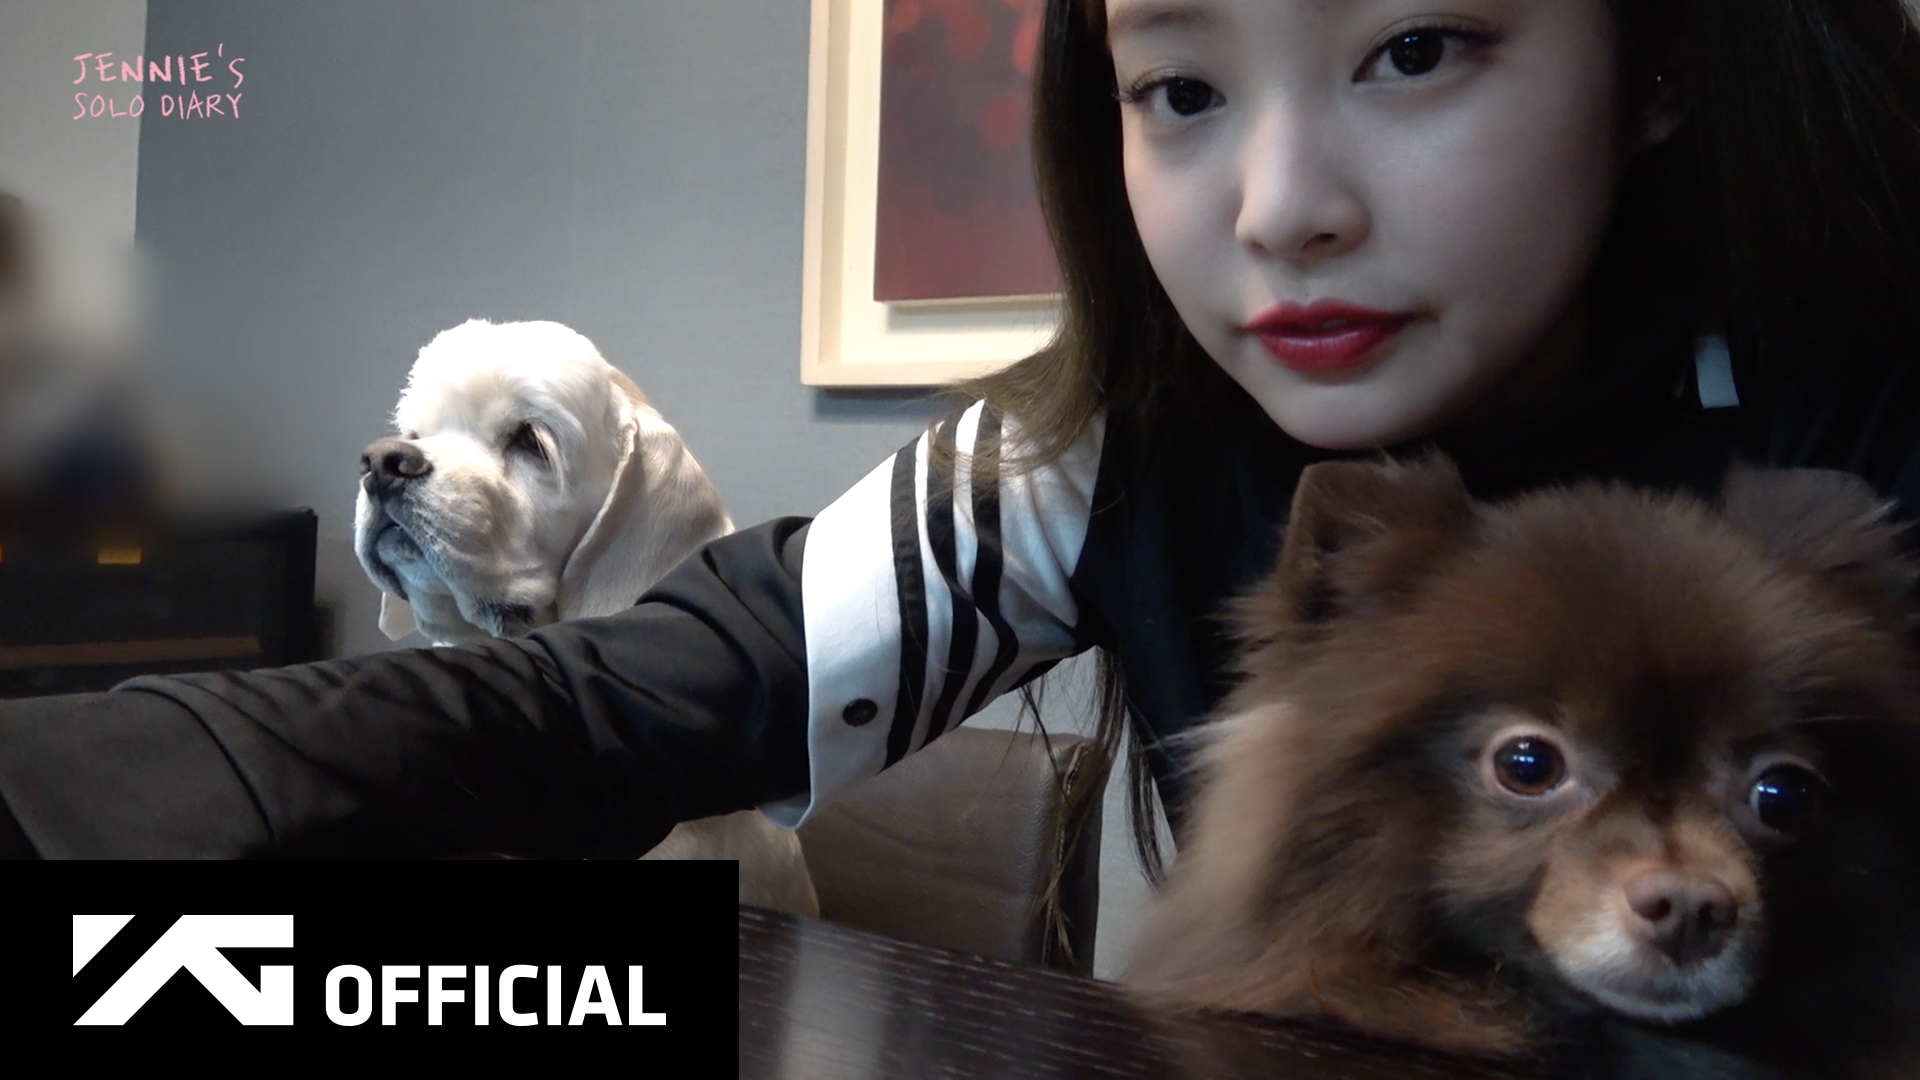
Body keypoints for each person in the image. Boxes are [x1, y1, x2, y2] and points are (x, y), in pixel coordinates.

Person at [2, 0, 1918, 862]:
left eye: (1414, 50)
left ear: (1659, 62)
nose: (1280, 209)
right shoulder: (1101, 455)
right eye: (1179, 86)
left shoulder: (1864, 420)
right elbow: (624, 700)